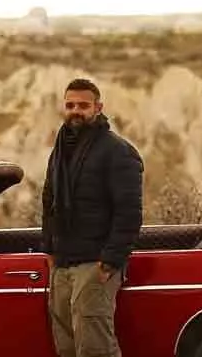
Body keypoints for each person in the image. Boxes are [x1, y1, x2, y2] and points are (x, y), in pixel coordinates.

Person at [41, 78, 144, 357]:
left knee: (95, 346)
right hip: (62, 263)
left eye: (83, 106)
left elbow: (129, 212)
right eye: (70, 105)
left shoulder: (117, 151)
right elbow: (49, 202)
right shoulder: (61, 150)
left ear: (98, 108)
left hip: (94, 263)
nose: (76, 111)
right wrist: (49, 248)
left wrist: (110, 261)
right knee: (66, 345)